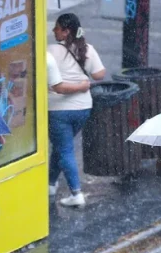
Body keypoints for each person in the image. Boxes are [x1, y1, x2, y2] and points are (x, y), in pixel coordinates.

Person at [48, 13, 106, 208]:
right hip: (83, 108)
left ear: (66, 31)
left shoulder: (51, 51)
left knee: (64, 149)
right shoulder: (87, 49)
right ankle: (50, 184)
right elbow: (99, 74)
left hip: (58, 109)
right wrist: (82, 78)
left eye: (57, 28)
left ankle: (76, 193)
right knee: (61, 146)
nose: (53, 31)